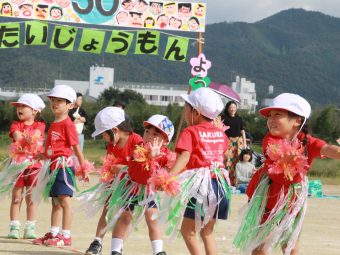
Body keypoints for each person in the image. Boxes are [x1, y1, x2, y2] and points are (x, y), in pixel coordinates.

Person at [233, 93, 340, 255]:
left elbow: (328, 149)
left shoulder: (308, 141)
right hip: (269, 197)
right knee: (261, 242)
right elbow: (276, 154)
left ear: (297, 120)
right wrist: (289, 157)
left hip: (293, 197)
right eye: (270, 115)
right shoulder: (270, 139)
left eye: (278, 115)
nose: (271, 119)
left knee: (290, 240)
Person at [159, 87, 230, 255]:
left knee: (188, 231)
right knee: (207, 232)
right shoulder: (220, 133)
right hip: (221, 185)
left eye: (186, 108)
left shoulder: (190, 131)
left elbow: (184, 156)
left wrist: (168, 177)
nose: (184, 112)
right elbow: (225, 154)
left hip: (203, 187)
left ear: (196, 112)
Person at [106, 114, 175, 255]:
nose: (149, 136)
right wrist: (150, 156)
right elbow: (136, 172)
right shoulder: (139, 150)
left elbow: (169, 173)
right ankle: (115, 250)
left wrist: (166, 176)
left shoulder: (167, 155)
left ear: (166, 141)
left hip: (148, 191)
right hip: (131, 188)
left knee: (152, 218)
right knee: (125, 217)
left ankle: (159, 251)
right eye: (147, 132)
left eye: (155, 134)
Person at [82, 106, 143, 255]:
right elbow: (110, 163)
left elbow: (141, 165)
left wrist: (123, 168)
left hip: (131, 186)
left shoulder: (137, 140)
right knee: (107, 210)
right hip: (114, 184)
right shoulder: (112, 144)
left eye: (103, 134)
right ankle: (97, 242)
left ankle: (117, 247)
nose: (103, 138)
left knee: (126, 215)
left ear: (114, 130)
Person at [33, 85, 87, 247]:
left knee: (64, 200)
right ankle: (54, 233)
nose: (55, 103)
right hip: (53, 166)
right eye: (53, 100)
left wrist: (83, 167)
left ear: (70, 105)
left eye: (60, 101)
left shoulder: (67, 124)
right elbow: (51, 148)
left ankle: (66, 235)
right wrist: (43, 155)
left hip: (63, 166)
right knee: (55, 202)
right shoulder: (54, 123)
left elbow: (76, 146)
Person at [2, 94, 45, 239]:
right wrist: (25, 138)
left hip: (34, 165)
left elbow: (35, 136)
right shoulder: (16, 124)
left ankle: (30, 227)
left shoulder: (40, 125)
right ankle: (14, 227)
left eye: (23, 106)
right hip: (18, 165)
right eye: (18, 107)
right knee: (16, 197)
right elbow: (18, 136)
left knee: (31, 198)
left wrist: (28, 138)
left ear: (34, 111)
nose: (19, 109)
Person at [222, 100, 247, 186]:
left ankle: (235, 182)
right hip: (228, 142)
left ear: (236, 109)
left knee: (237, 161)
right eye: (230, 107)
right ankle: (227, 181)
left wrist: (245, 143)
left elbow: (243, 131)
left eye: (234, 107)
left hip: (238, 142)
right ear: (227, 109)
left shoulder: (239, 119)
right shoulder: (224, 118)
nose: (232, 109)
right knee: (228, 161)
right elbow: (222, 131)